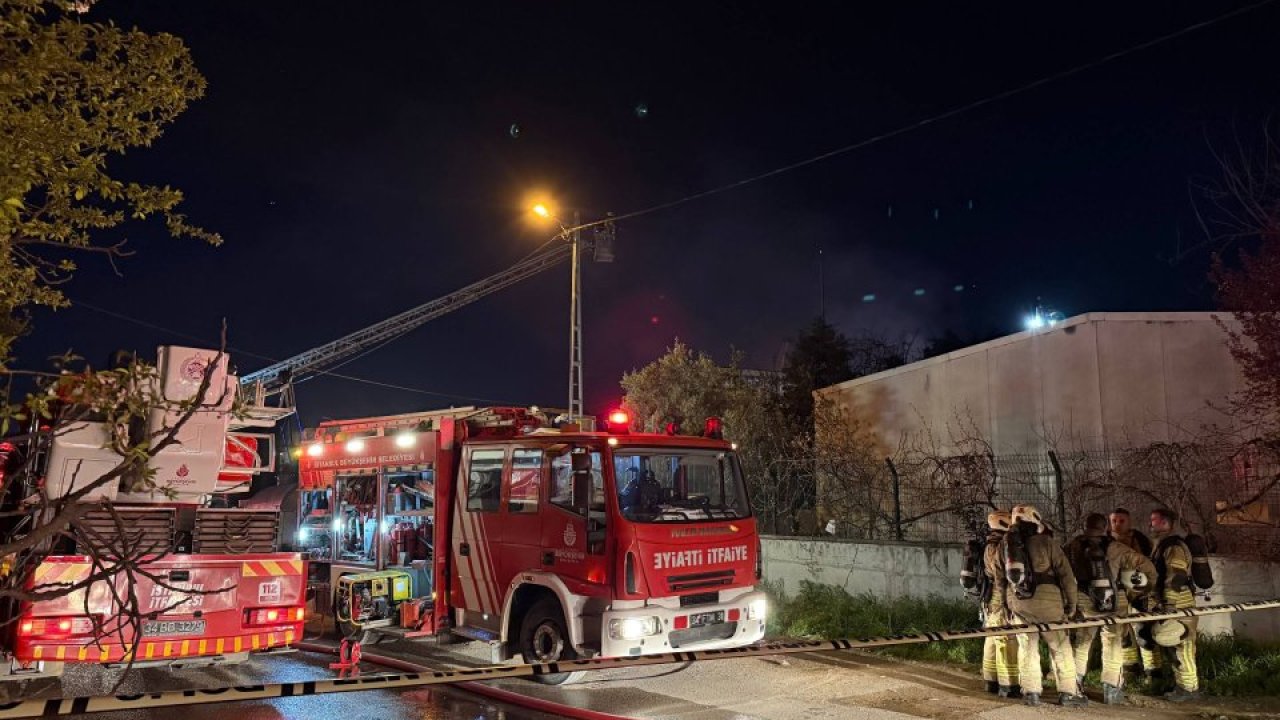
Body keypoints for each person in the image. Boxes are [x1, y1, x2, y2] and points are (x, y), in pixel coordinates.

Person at [993, 504, 1087, 707]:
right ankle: (1068, 693)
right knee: (1060, 647)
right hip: (1049, 604)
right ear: (1034, 519)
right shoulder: (1047, 542)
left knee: (1027, 646)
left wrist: (1006, 605)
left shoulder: (1004, 544)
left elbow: (999, 579)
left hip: (1018, 603)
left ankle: (1031, 692)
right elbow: (1067, 576)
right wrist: (1071, 604)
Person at [1064, 513, 1157, 704]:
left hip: (1085, 601)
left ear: (1085, 525)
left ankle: (1075, 683)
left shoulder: (1072, 546)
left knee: (1082, 642)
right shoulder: (1116, 547)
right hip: (1116, 601)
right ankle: (1111, 689)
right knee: (1113, 643)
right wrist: (1139, 590)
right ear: (1105, 526)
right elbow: (1147, 568)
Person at [1144, 507, 1201, 702]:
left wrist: (1168, 606)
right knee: (1172, 645)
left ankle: (1189, 689)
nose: (1150, 523)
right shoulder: (1162, 545)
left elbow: (1176, 577)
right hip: (1172, 604)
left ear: (1165, 523)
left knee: (1182, 647)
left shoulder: (1173, 547)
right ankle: (1181, 685)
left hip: (1179, 604)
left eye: (1154, 520)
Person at [980, 510, 1020, 698]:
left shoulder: (988, 544)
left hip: (989, 597)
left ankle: (991, 680)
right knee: (1006, 638)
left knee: (992, 638)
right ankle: (1009, 684)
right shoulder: (1000, 546)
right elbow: (1002, 575)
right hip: (999, 595)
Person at [1109, 507, 1152, 674]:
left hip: (1137, 589)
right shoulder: (1106, 541)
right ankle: (1130, 666)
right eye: (1114, 521)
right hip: (1116, 591)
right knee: (1122, 632)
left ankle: (1152, 669)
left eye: (1121, 521)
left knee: (1143, 628)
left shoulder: (1140, 539)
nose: (1117, 525)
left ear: (1129, 522)